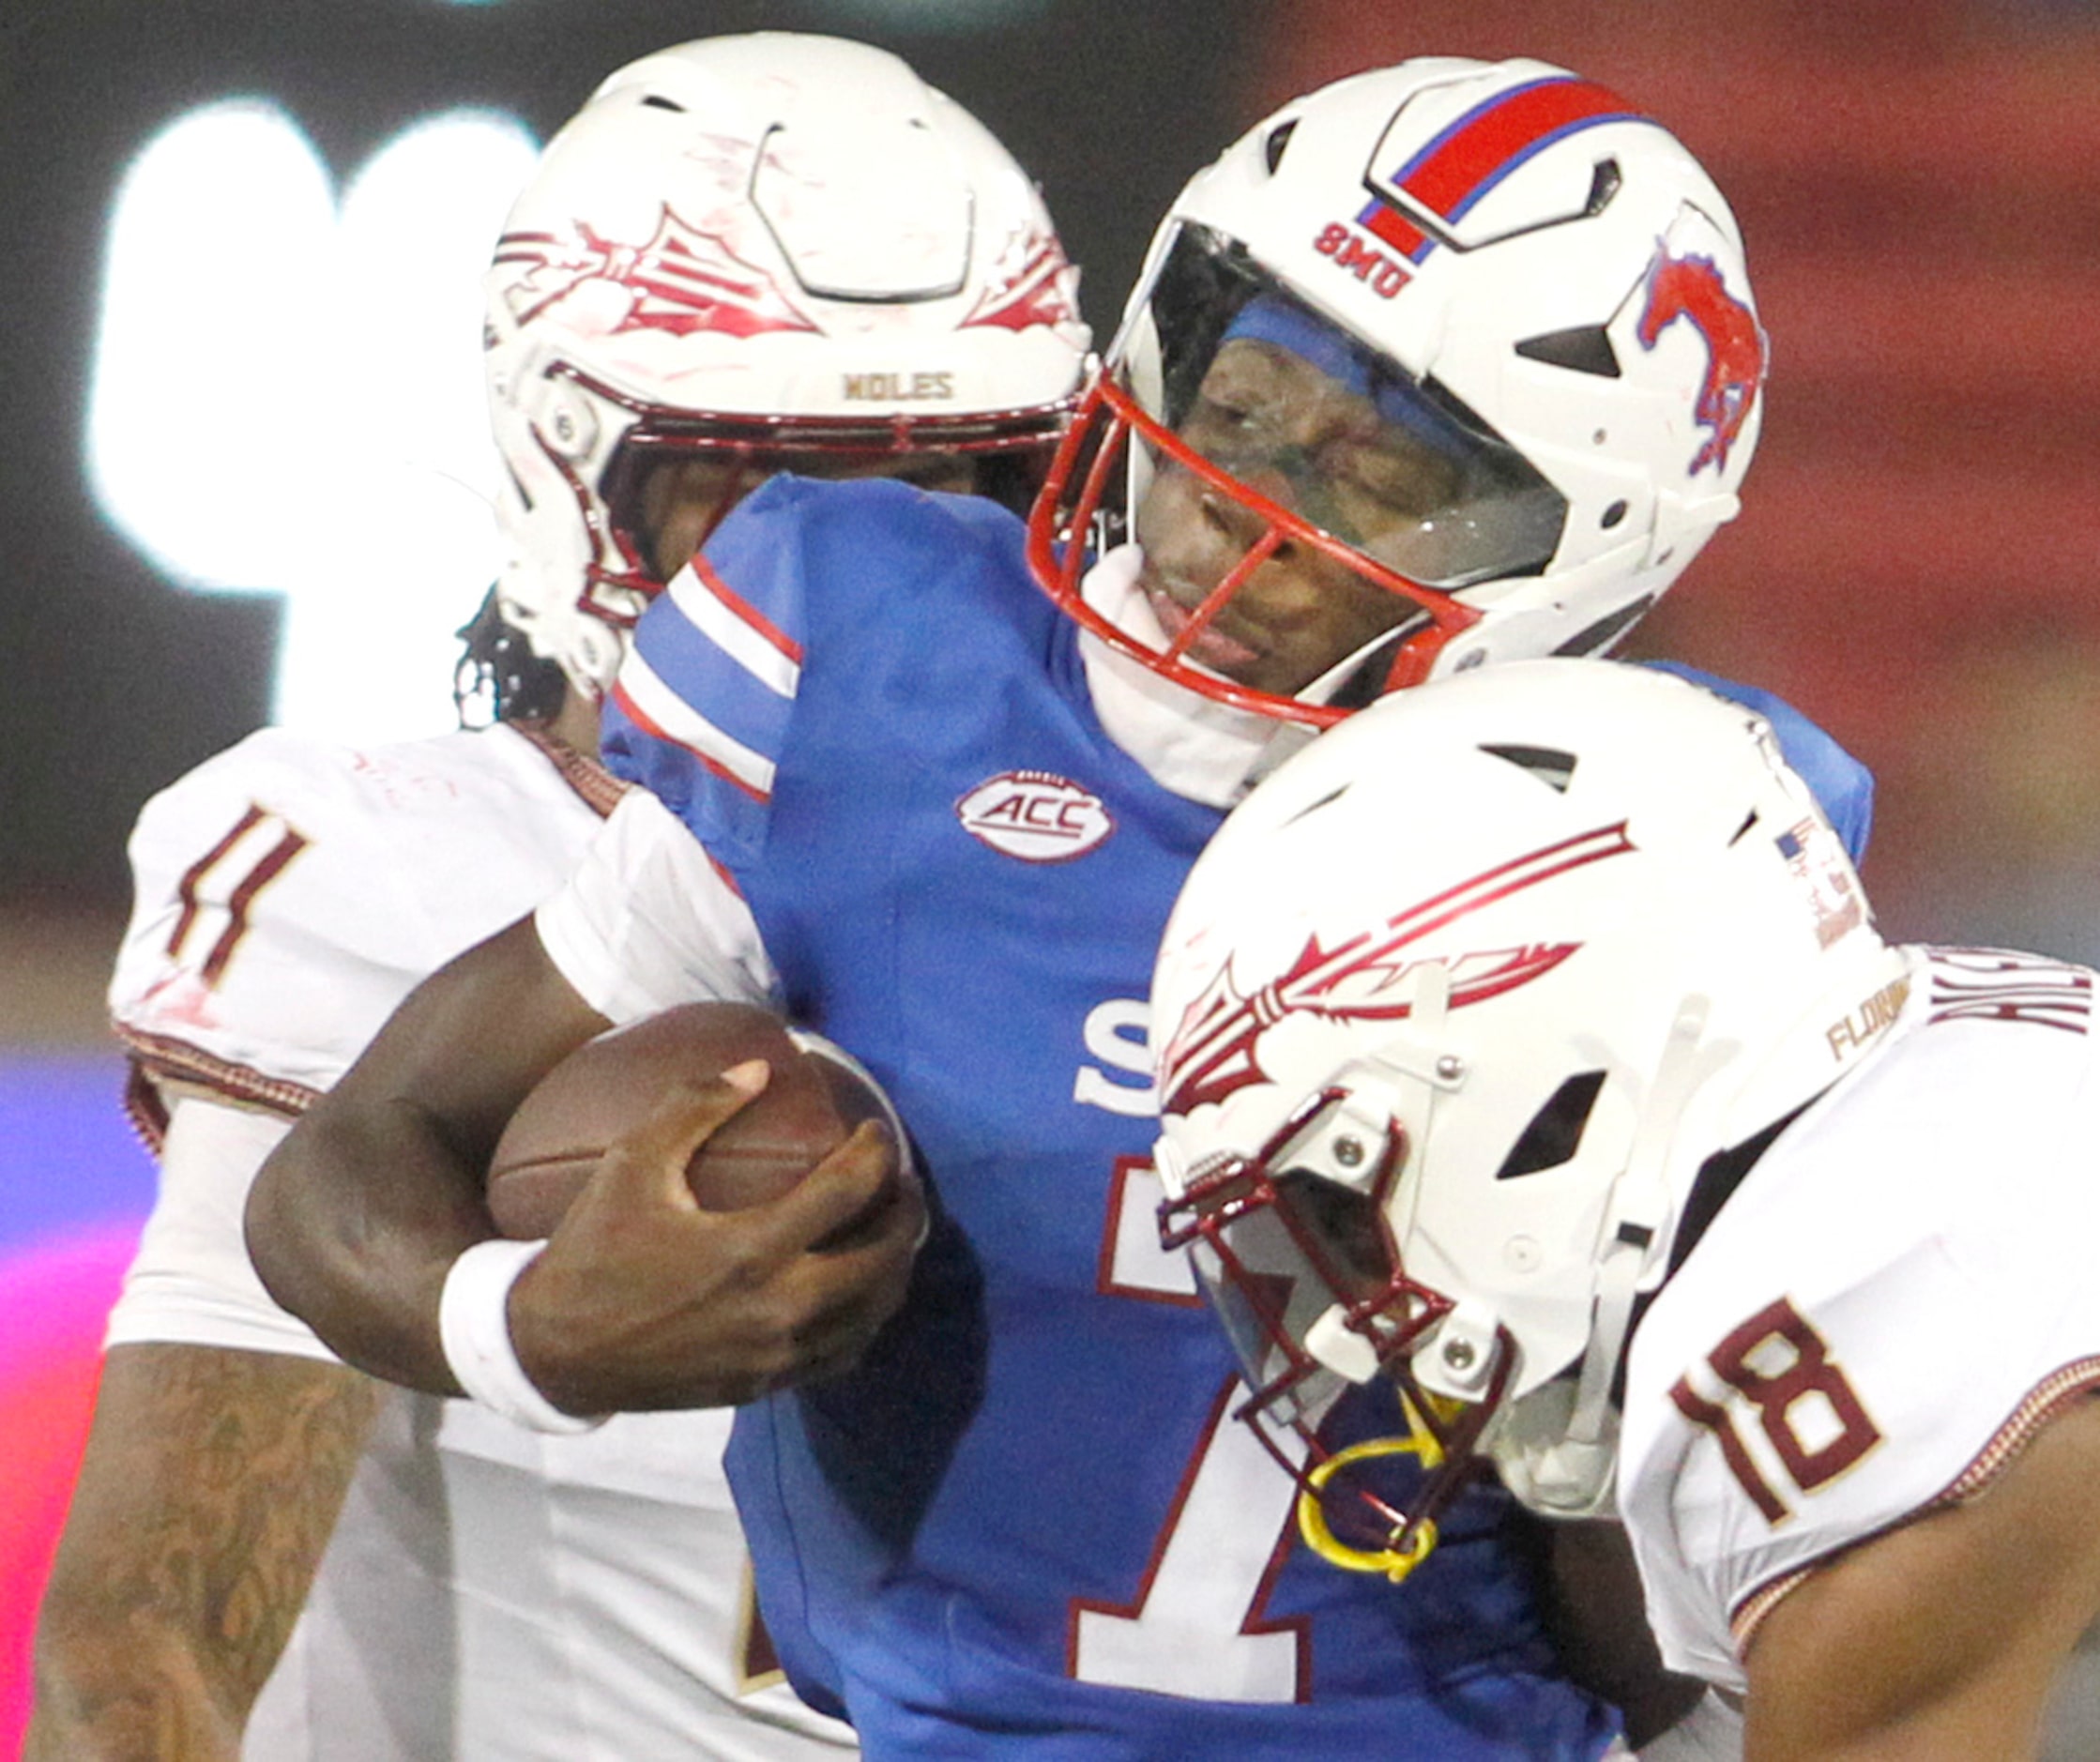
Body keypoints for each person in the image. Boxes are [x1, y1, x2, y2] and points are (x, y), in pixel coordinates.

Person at [245, 55, 1867, 1757]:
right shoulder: (876, 670)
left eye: (1381, 481)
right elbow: (364, 1143)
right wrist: (527, 1328)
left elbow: (1682, 1649)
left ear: (1588, 539)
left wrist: (1566, 1399)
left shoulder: (1676, 856)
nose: (1257, 506)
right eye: (1240, 406)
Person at [27, 32, 1088, 1761]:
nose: (865, 573)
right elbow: (141, 1655)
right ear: (567, 462)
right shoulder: (375, 874)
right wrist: (517, 1326)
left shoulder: (1188, 881)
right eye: (769, 493)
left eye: (950, 485)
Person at [1146, 656, 2100, 1760]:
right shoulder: (1916, 1062)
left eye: (1341, 1203)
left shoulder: (1874, 1380)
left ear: (1553, 1112)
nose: (1337, 1307)